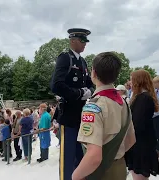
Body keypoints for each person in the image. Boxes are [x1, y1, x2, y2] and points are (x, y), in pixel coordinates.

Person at [72, 52, 136, 180]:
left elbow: (94, 156)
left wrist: (75, 176)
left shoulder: (93, 106)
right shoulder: (123, 101)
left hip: (100, 172)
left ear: (93, 73)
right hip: (119, 168)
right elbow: (131, 140)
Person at [50, 28, 94, 180]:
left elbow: (90, 83)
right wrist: (80, 94)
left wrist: (90, 90)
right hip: (68, 114)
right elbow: (56, 85)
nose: (85, 45)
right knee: (67, 157)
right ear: (73, 40)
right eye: (82, 41)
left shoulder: (82, 61)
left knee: (79, 154)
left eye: (85, 41)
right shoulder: (65, 58)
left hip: (80, 114)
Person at [125, 69, 159, 180]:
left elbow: (138, 123)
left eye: (131, 79)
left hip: (141, 142)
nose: (130, 82)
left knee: (139, 172)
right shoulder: (143, 96)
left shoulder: (144, 98)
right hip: (141, 140)